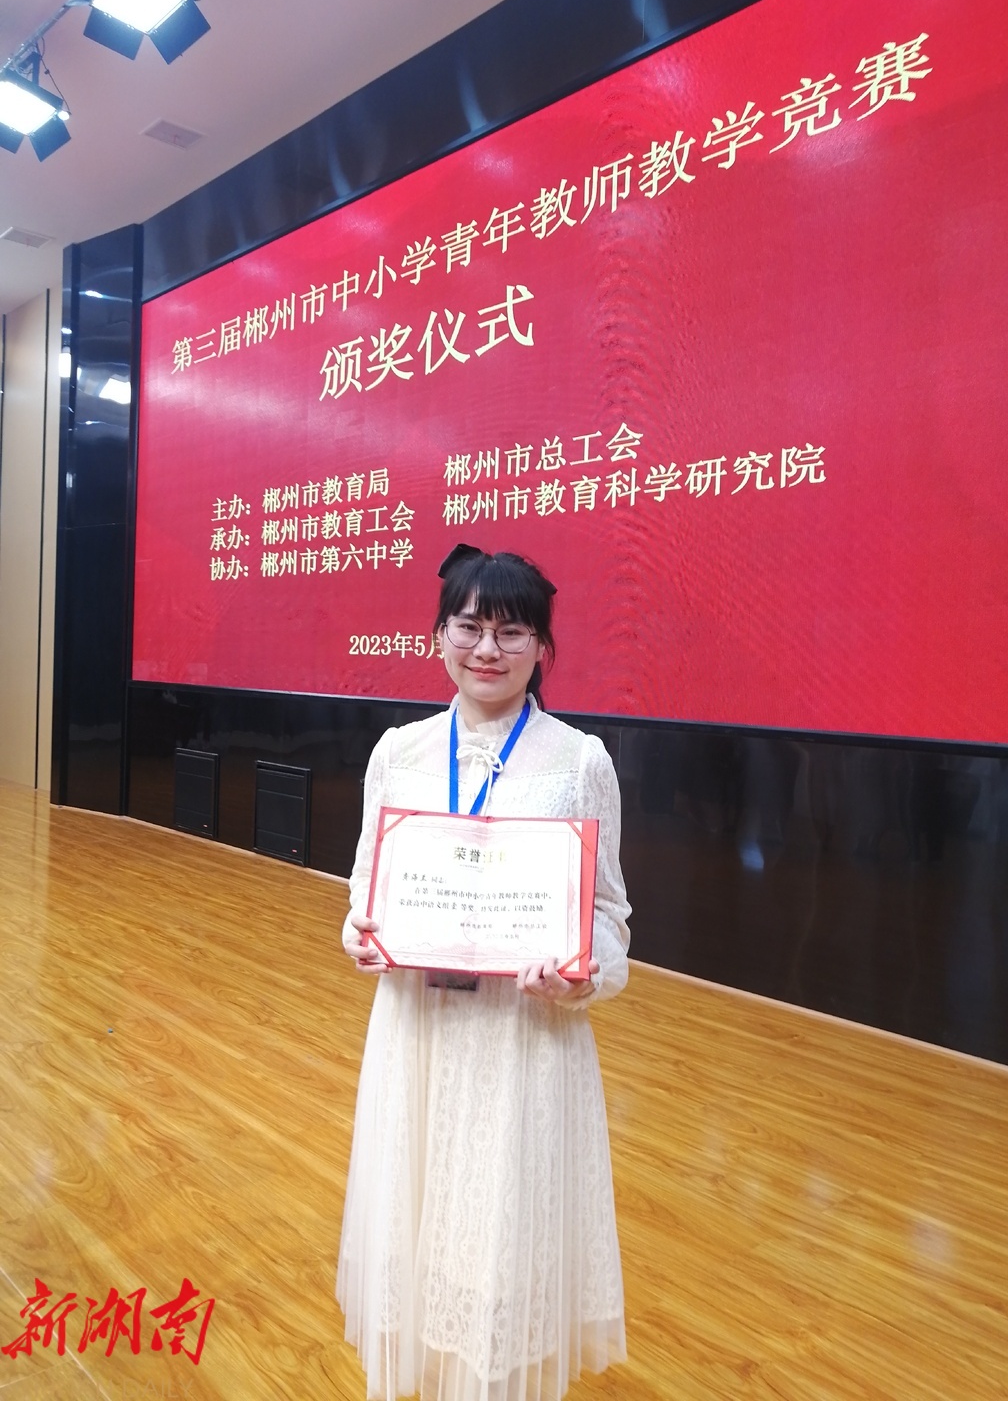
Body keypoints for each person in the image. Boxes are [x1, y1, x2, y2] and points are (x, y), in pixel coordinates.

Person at [338, 543, 631, 1401]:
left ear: (543, 648)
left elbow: (608, 914)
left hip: (523, 1038)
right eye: (469, 627)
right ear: (439, 636)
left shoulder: (579, 761)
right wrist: (359, 931)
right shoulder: (400, 752)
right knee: (419, 1212)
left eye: (512, 632)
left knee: (504, 1229)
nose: (487, 649)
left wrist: (582, 974)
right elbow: (366, 884)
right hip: (417, 1031)